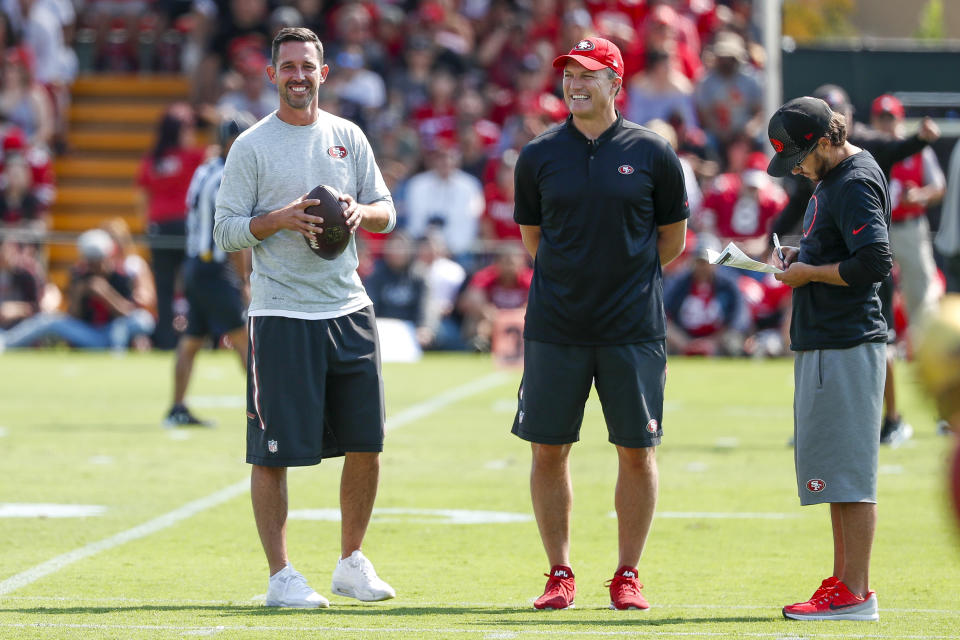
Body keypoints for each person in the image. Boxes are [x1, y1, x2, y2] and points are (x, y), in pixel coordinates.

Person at [213, 27, 396, 609]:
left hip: (349, 307)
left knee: (366, 443)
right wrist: (279, 219)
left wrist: (357, 211)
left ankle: (350, 562)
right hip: (280, 314)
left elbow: (387, 211)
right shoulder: (251, 146)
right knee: (273, 452)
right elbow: (225, 230)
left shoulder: (348, 135)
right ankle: (281, 576)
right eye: (287, 66)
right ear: (272, 75)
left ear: (323, 73)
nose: (298, 75)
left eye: (307, 66)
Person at [511, 37, 688, 611]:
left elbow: (672, 241)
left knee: (637, 450)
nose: (574, 83)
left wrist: (621, 284)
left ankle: (627, 574)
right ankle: (559, 572)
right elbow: (534, 241)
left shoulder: (655, 152)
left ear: (616, 83)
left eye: (588, 73)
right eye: (569, 73)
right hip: (555, 326)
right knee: (547, 450)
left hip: (632, 328)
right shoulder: (537, 155)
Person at [765, 96, 892, 621]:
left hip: (846, 340)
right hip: (828, 339)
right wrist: (805, 253)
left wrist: (810, 273)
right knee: (836, 476)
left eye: (798, 156)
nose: (794, 168)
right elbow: (845, 246)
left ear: (824, 141)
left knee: (850, 475)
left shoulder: (856, 179)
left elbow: (875, 261)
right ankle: (843, 582)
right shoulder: (835, 177)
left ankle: (856, 593)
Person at [164, 111, 255, 428]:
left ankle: (176, 408)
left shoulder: (205, 170)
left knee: (190, 341)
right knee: (243, 339)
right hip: (214, 268)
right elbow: (232, 236)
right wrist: (244, 280)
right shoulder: (226, 177)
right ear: (233, 143)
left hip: (196, 266)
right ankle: (266, 408)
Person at [0, 229, 155, 350]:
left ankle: (117, 351)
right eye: (90, 259)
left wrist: (106, 294)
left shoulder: (120, 275)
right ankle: (7, 342)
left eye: (97, 258)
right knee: (49, 320)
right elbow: (73, 316)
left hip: (114, 331)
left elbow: (129, 313)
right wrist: (80, 293)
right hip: (89, 335)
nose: (94, 264)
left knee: (140, 320)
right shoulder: (79, 275)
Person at [136, 102, 205, 350]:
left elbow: (142, 201)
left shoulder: (152, 161)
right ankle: (197, 337)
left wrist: (149, 228)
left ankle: (166, 341)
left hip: (159, 229)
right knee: (194, 284)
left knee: (164, 289)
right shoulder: (194, 156)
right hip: (186, 228)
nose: (192, 133)